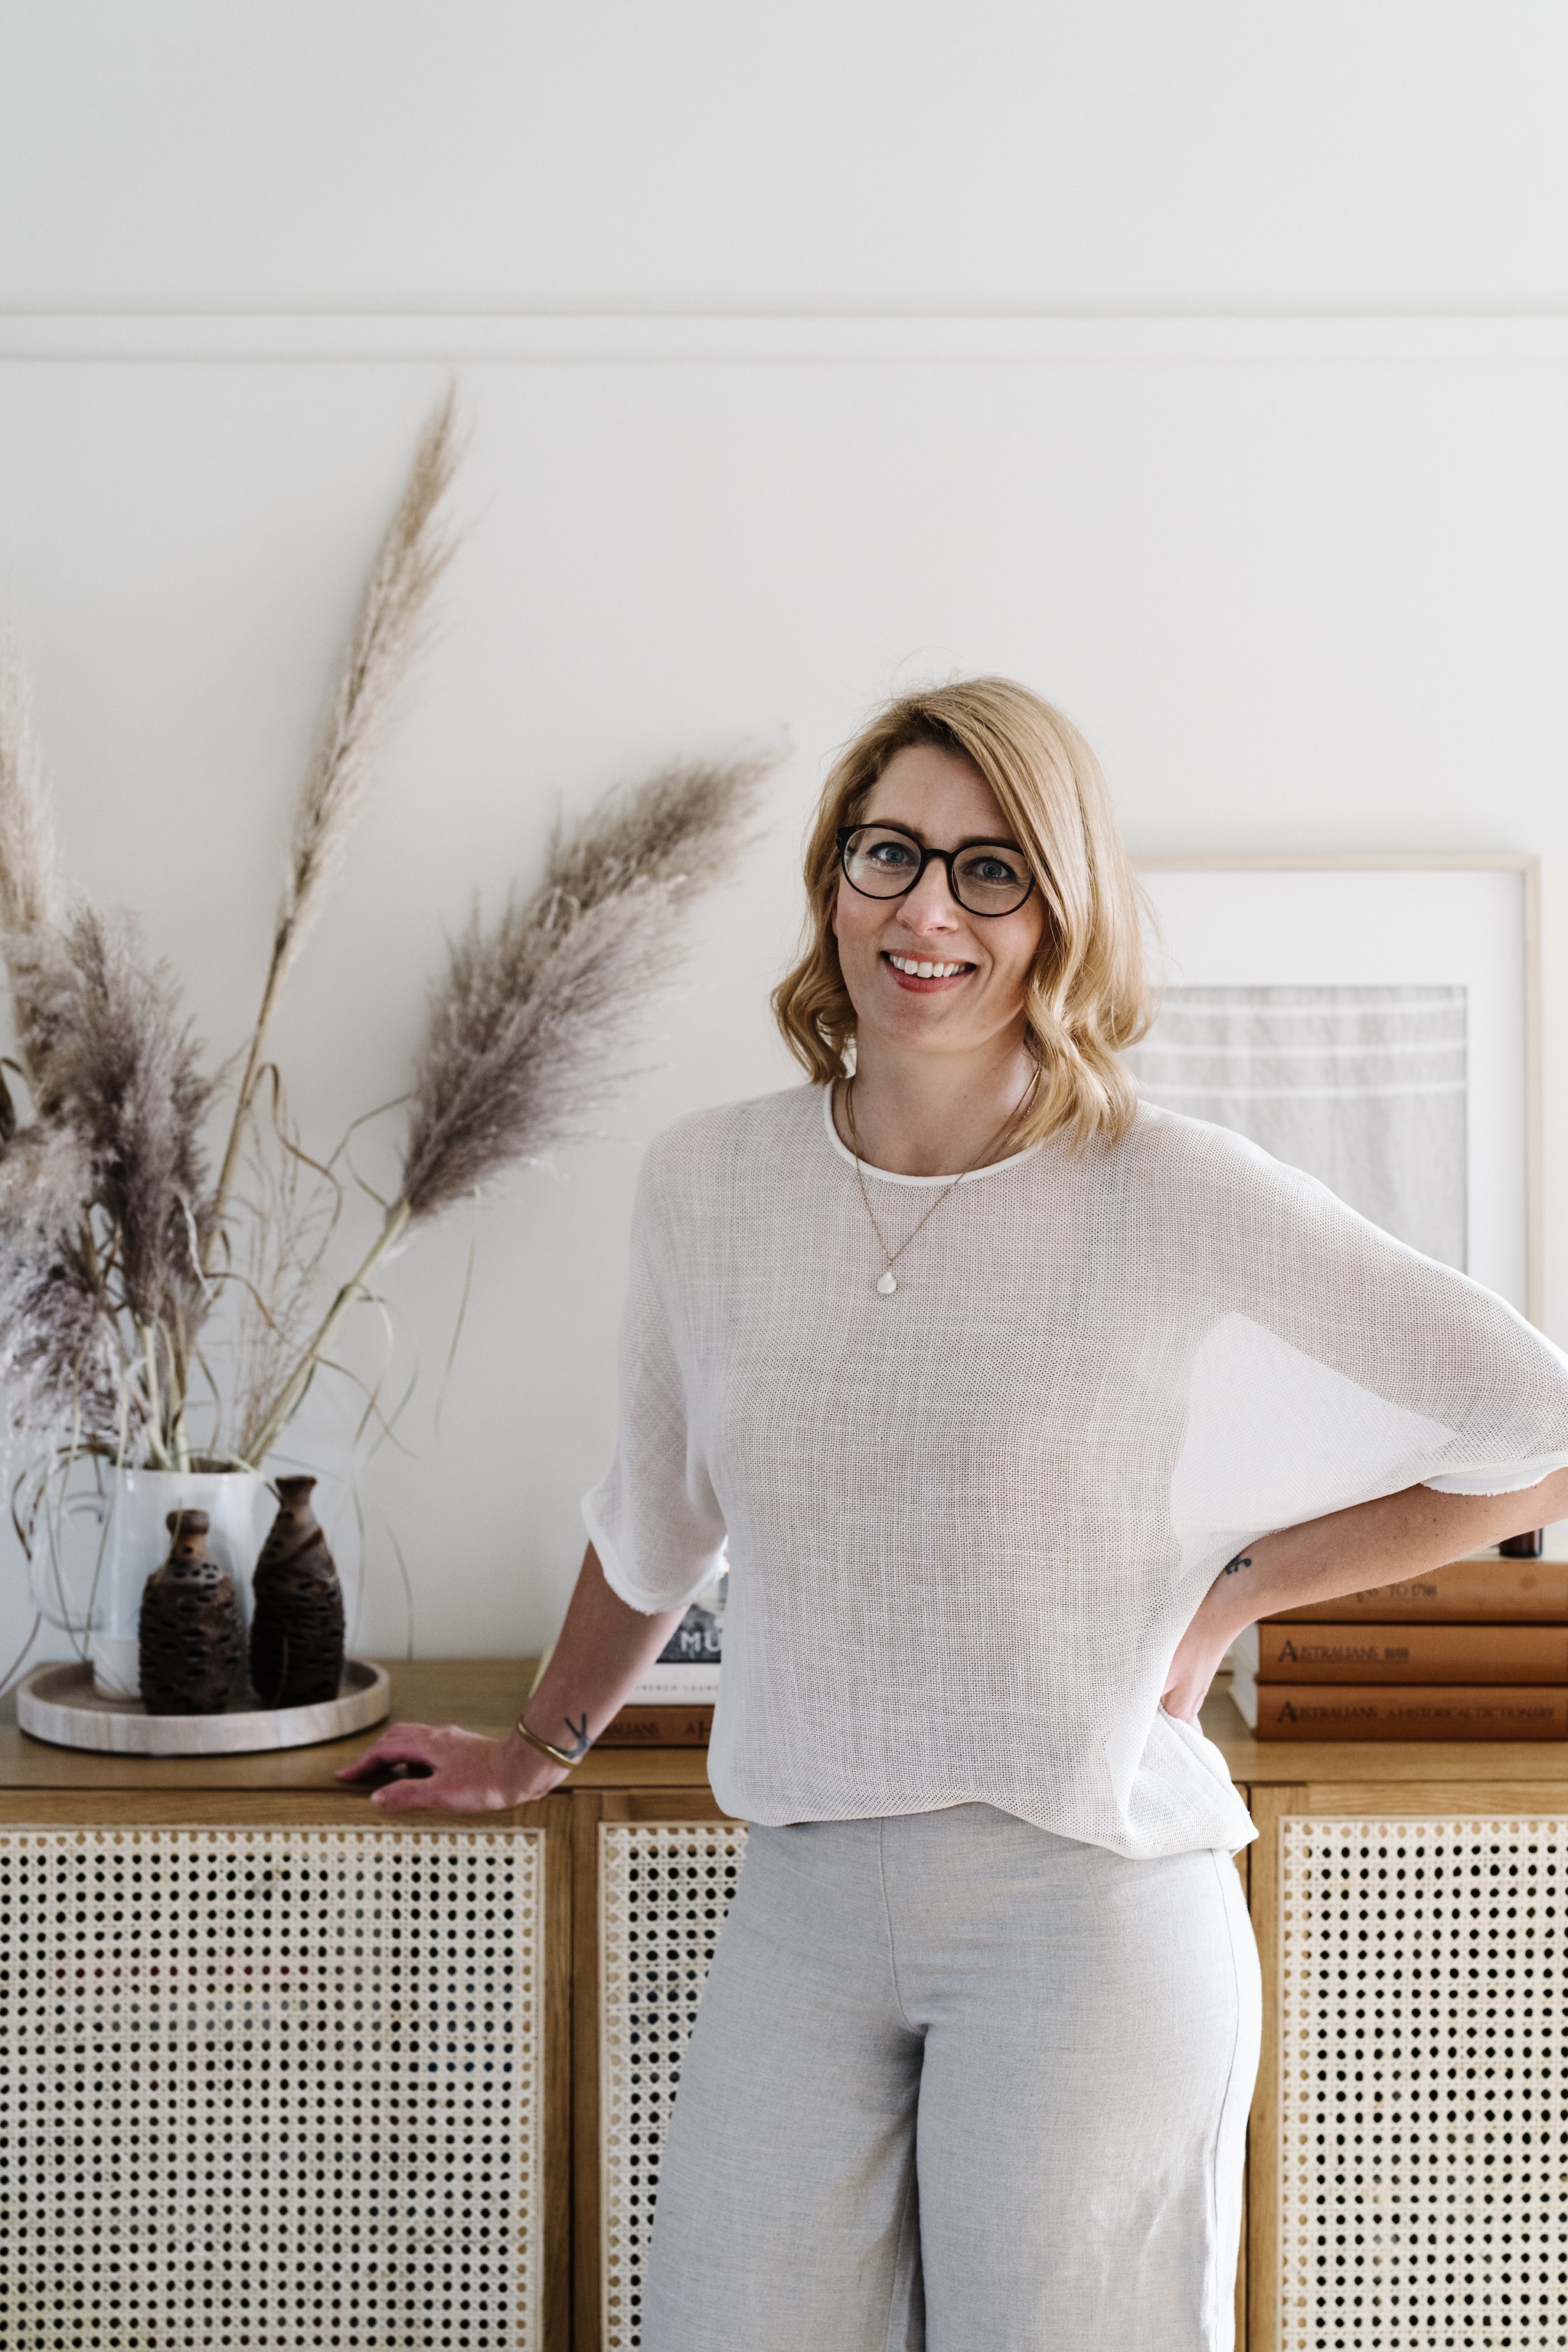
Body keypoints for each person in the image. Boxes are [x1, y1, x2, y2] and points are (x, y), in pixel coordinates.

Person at [342, 678, 1568, 2351]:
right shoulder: (705, 1184)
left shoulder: (1170, 1186)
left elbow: (1538, 1426)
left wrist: (1229, 1594)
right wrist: (530, 1752)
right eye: (890, 854)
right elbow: (656, 1514)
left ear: (1059, 912)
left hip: (1090, 1906)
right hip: (802, 1906)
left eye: (991, 870)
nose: (926, 909)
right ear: (833, 881)